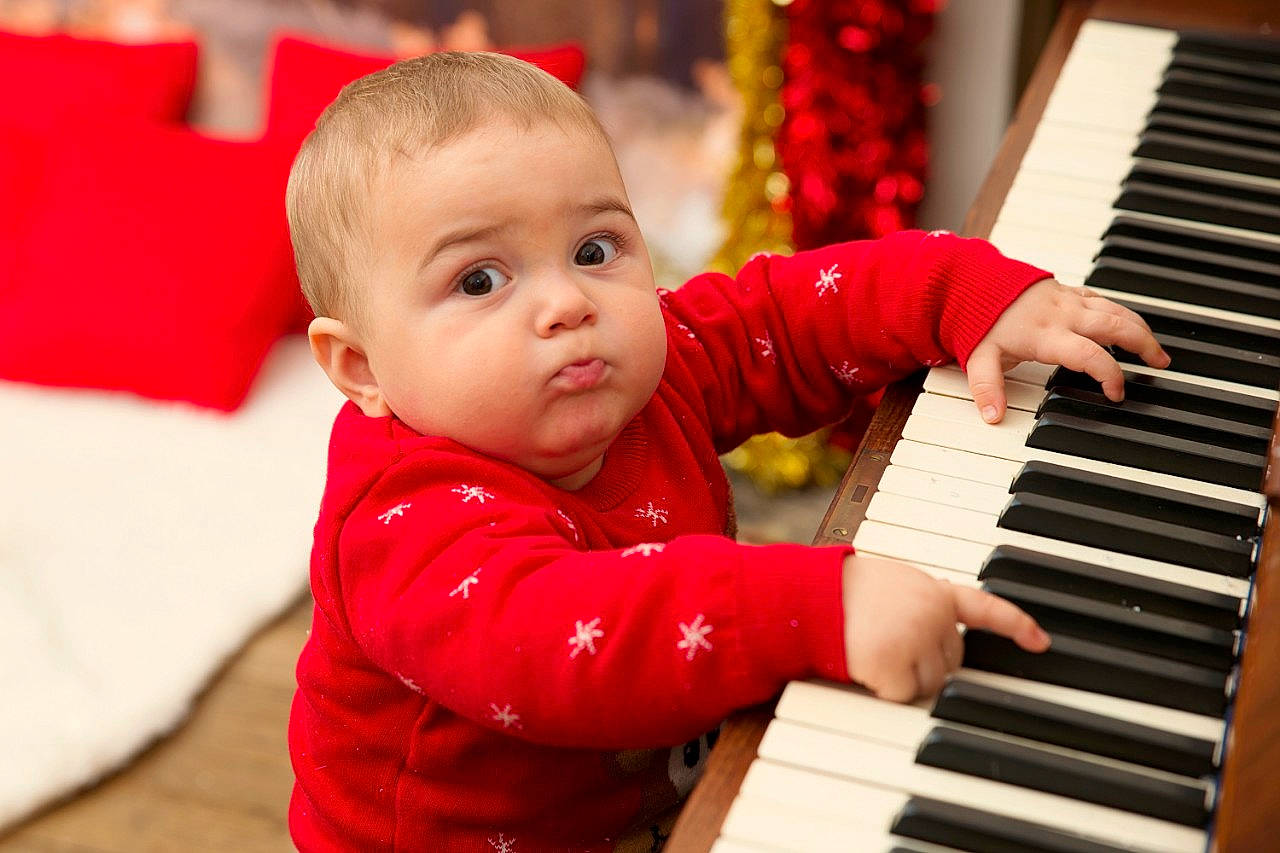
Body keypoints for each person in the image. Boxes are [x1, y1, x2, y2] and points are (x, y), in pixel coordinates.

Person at [284, 51, 1170, 852]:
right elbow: (552, 635)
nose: (567, 303)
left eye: (596, 248)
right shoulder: (401, 518)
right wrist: (809, 602)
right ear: (361, 366)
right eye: (480, 279)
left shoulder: (632, 367)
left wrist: (955, 291)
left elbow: (784, 312)